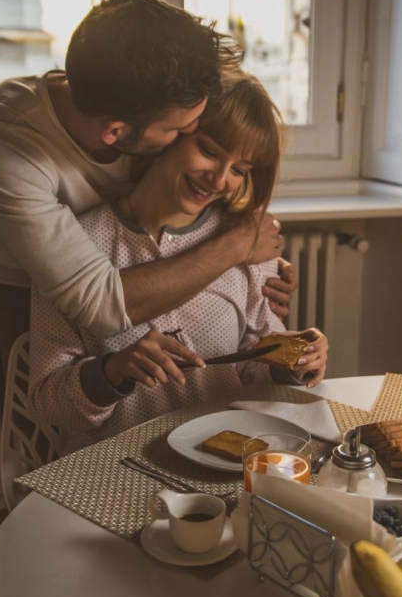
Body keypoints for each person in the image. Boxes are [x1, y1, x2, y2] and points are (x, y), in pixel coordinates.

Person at [0, 0, 298, 366]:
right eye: (180, 130)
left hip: (143, 257)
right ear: (115, 133)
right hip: (36, 285)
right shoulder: (2, 137)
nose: (190, 128)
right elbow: (101, 306)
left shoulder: (157, 82)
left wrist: (250, 271)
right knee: (46, 412)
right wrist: (234, 248)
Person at [28, 71, 328, 453]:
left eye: (239, 169)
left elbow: (255, 368)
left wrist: (295, 358)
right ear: (170, 134)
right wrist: (112, 371)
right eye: (209, 150)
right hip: (113, 467)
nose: (220, 179)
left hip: (221, 466)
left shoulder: (253, 247)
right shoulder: (73, 246)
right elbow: (48, 402)